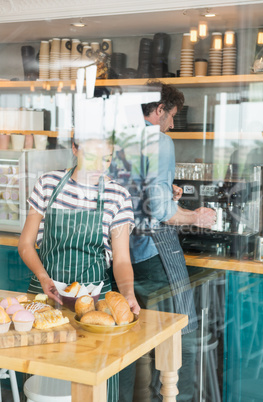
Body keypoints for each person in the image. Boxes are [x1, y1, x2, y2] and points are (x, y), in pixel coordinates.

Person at [18, 131, 140, 402]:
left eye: (106, 159)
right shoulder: (48, 184)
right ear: (74, 148)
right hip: (45, 299)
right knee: (45, 381)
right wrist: (43, 276)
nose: (98, 167)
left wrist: (128, 294)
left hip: (96, 308)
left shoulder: (118, 196)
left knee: (93, 382)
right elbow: (26, 244)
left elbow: (121, 260)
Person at [117, 81, 216, 402]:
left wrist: (166, 193)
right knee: (180, 334)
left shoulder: (118, 139)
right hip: (152, 251)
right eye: (171, 115)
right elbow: (160, 211)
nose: (172, 123)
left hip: (119, 253)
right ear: (158, 110)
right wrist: (195, 217)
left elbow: (133, 195)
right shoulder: (159, 141)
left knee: (128, 338)